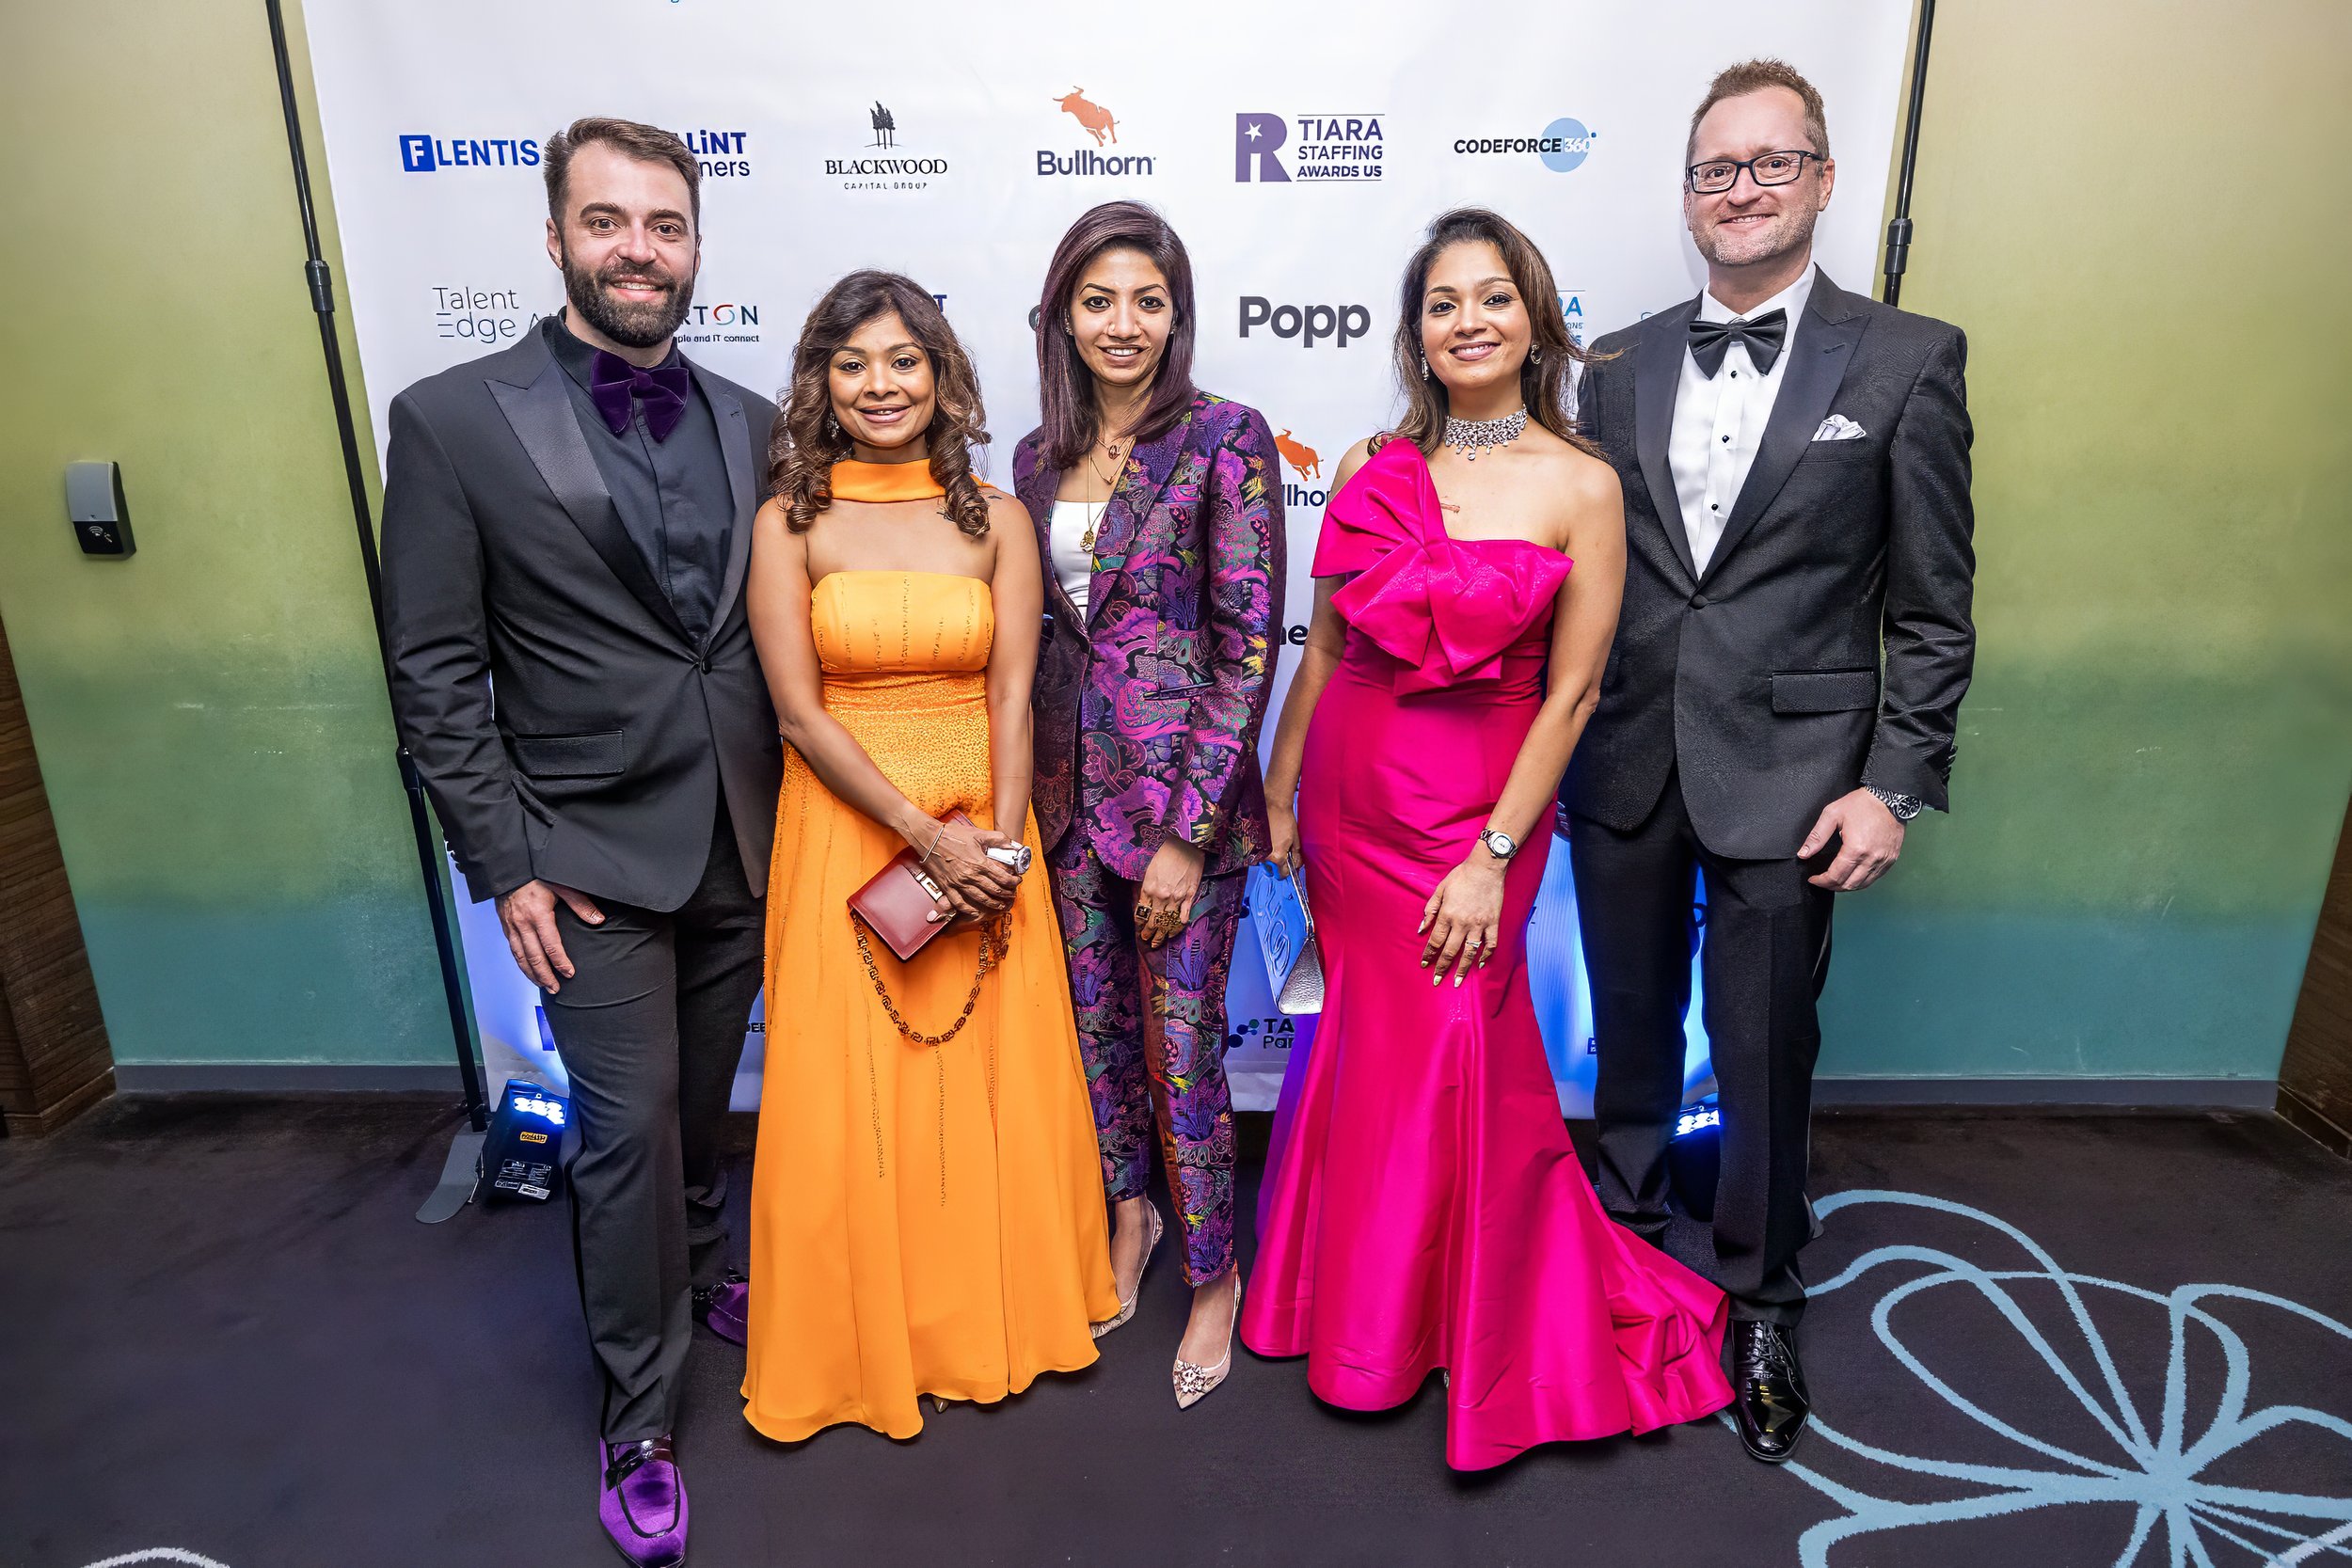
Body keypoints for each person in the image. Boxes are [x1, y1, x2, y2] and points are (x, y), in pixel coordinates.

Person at [1240, 208, 1734, 1470]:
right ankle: (1363, 1307)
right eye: (1444, 301)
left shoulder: (1581, 484)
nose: (1469, 319)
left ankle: (1455, 1313)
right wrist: (1282, 787)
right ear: (1416, 332)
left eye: (1493, 296)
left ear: (1534, 318)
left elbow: (1571, 694)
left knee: (1457, 1049)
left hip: (1472, 818)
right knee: (1364, 1044)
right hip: (1352, 798)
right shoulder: (1367, 464)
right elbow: (1329, 649)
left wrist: (1494, 855)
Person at [1565, 59, 1976, 1465]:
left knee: (1762, 1050)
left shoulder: (1908, 358)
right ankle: (1615, 1255)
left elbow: (1930, 607)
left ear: (1820, 177)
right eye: (1712, 169)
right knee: (1623, 1029)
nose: (1737, 190)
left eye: (1767, 163)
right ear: (1685, 193)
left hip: (1799, 775)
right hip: (1622, 755)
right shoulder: (1612, 364)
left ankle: (1758, 1290)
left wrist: (1898, 778)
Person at [379, 119, 777, 1567]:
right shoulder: (450, 417)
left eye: (664, 226)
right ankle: (641, 1412)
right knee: (622, 1131)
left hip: (742, 830)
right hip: (580, 857)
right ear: (554, 237)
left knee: (698, 1108)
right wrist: (505, 862)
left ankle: (700, 1270)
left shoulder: (749, 416)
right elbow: (432, 670)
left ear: (694, 246)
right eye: (607, 222)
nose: (638, 250)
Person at [739, 271, 1118, 1442]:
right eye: (852, 364)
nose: (880, 385)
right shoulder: (787, 523)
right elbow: (799, 715)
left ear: (941, 373)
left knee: (983, 1085)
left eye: (902, 360)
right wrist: (922, 839)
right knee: (852, 1098)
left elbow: (1014, 696)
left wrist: (997, 849)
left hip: (984, 830)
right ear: (821, 383)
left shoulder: (995, 517)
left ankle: (987, 1316)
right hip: (849, 830)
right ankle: (869, 1340)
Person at [1011, 201, 1285, 1407]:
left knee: (1183, 1057)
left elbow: (1245, 650)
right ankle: (1133, 1217)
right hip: (1063, 803)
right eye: (1098, 300)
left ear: (1176, 316)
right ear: (1063, 312)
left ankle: (1214, 1272)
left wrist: (1187, 835)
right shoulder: (1031, 455)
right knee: (1097, 1041)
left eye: (1147, 301)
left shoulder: (1226, 437)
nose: (1123, 325)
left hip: (1184, 812)